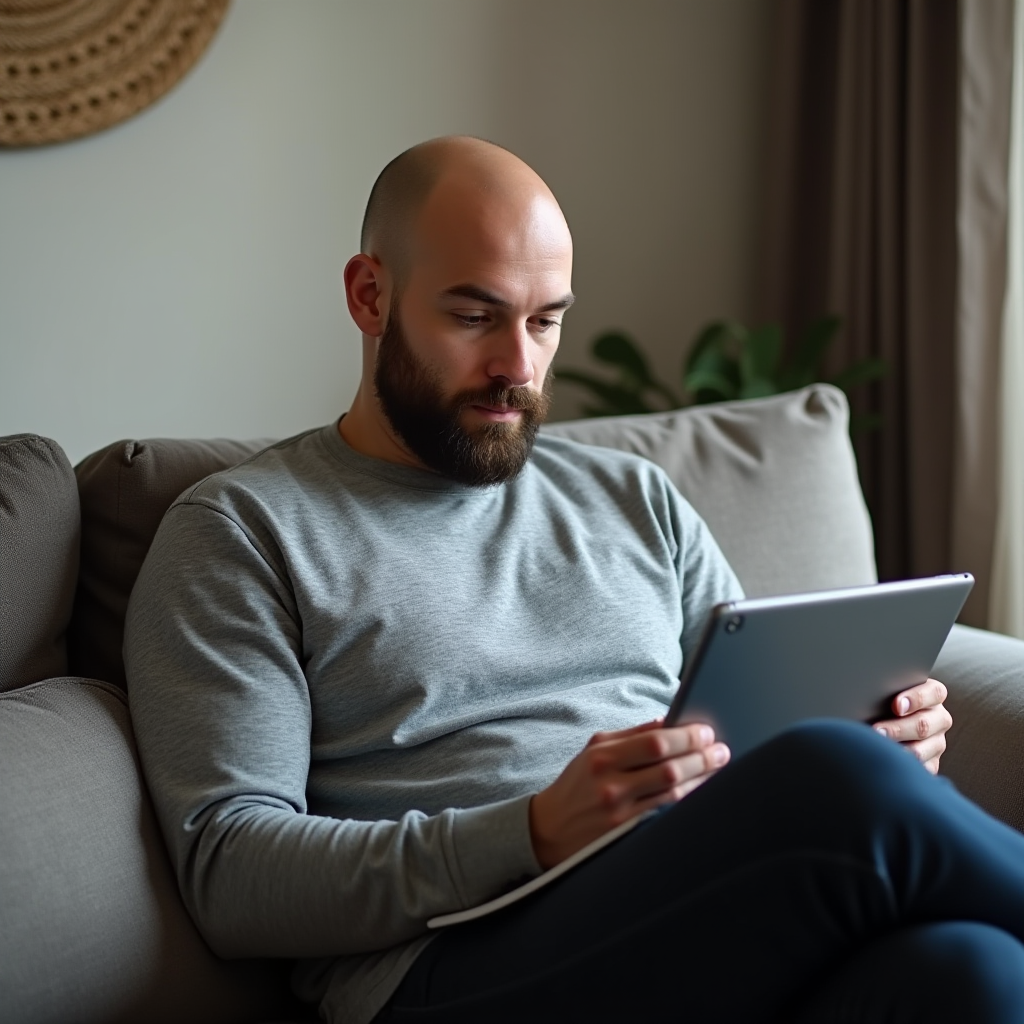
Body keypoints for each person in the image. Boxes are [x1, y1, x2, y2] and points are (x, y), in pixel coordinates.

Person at [125, 136, 1024, 1024]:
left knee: (966, 971)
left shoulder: (636, 498)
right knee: (837, 779)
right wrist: (531, 830)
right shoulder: (242, 530)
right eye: (474, 316)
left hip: (684, 907)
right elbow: (230, 875)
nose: (518, 364)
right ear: (370, 295)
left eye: (545, 319)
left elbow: (758, 733)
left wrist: (886, 735)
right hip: (446, 962)